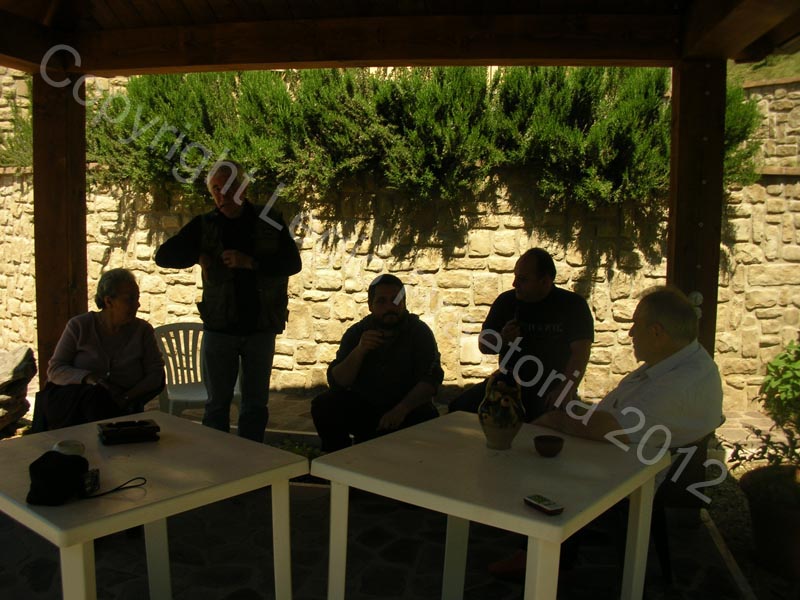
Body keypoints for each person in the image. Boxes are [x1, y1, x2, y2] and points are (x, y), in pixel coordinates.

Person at [490, 285, 724, 579]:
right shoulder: (681, 361)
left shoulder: (680, 385)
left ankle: (542, 553)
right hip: (629, 452)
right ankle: (546, 543)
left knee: (540, 460)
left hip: (631, 470)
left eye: (635, 325)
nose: (630, 333)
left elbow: (610, 427)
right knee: (541, 439)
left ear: (656, 332)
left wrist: (558, 420)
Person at [154, 160, 302, 442]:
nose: (222, 195)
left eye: (229, 187)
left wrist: (251, 263)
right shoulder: (205, 225)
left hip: (260, 328)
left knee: (255, 406)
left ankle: (252, 459)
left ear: (243, 188)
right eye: (216, 189)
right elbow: (164, 256)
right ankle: (217, 462)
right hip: (220, 329)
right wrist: (197, 256)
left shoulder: (269, 219)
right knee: (216, 407)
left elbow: (292, 263)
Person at [448, 248, 594, 421]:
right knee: (457, 410)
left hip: (550, 387)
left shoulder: (572, 305)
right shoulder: (506, 301)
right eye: (515, 276)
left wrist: (565, 389)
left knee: (542, 425)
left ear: (545, 281)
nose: (514, 283)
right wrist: (502, 339)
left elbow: (580, 353)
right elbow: (484, 345)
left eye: (523, 279)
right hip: (507, 384)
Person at [311, 274, 444, 452]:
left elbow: (431, 379)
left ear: (404, 303)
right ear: (370, 305)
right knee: (324, 405)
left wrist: (401, 410)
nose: (390, 307)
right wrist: (360, 351)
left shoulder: (419, 332)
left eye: (396, 300)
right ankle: (337, 460)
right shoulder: (357, 332)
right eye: (381, 301)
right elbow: (338, 382)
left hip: (407, 408)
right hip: (366, 407)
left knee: (427, 416)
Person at [37, 268, 165, 431]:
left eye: (137, 298)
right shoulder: (79, 326)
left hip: (124, 409)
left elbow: (156, 374)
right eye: (130, 299)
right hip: (78, 411)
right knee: (96, 399)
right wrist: (90, 378)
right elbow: (55, 370)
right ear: (108, 301)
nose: (137, 304)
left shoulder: (143, 331)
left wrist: (127, 397)